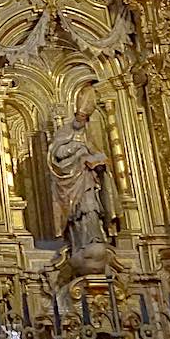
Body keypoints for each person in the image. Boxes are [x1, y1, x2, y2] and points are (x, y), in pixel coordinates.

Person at [48, 91, 119, 266]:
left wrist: (99, 162)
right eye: (79, 116)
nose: (81, 120)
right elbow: (56, 153)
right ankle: (79, 242)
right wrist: (77, 150)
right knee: (78, 213)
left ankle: (95, 237)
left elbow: (97, 153)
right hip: (70, 182)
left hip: (87, 181)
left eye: (84, 118)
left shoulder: (88, 136)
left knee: (91, 209)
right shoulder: (65, 132)